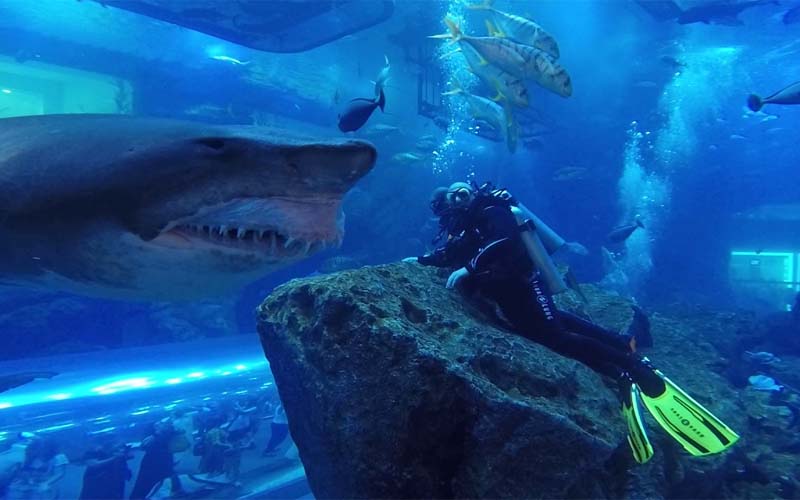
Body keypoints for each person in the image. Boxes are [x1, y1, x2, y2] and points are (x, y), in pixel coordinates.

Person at [406, 181, 739, 464]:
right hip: (511, 292)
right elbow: (454, 251)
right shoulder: (469, 224)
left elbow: (505, 241)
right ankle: (621, 344)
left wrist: (472, 268)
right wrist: (421, 261)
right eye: (451, 202)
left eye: (462, 194)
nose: (458, 202)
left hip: (523, 284)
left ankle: (632, 370)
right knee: (554, 322)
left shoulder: (491, 211)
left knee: (556, 336)